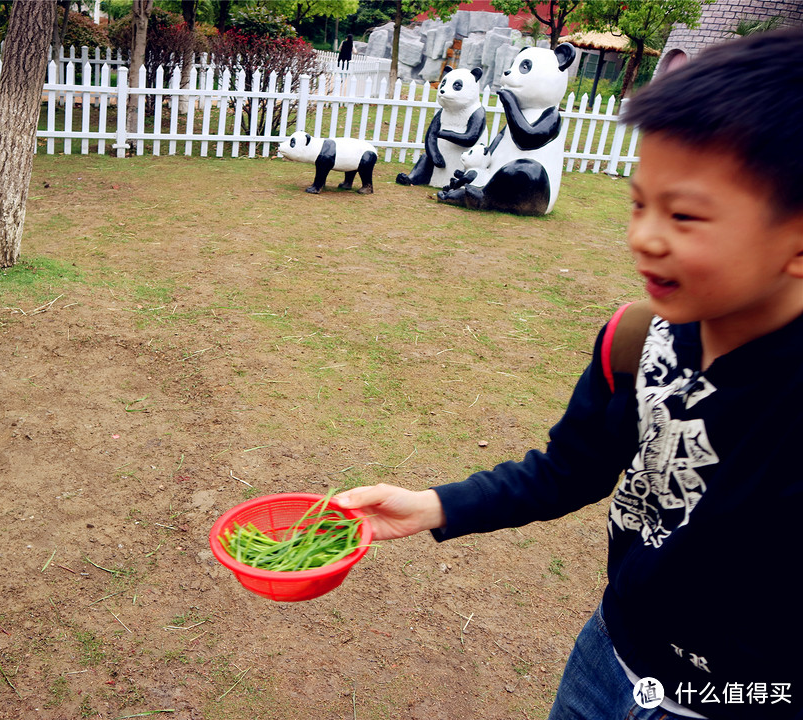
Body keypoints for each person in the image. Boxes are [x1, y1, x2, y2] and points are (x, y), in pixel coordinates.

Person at [335, 27, 803, 720]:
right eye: (639, 204)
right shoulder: (635, 339)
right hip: (612, 652)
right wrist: (432, 506)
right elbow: (570, 471)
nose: (645, 236)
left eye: (686, 215)